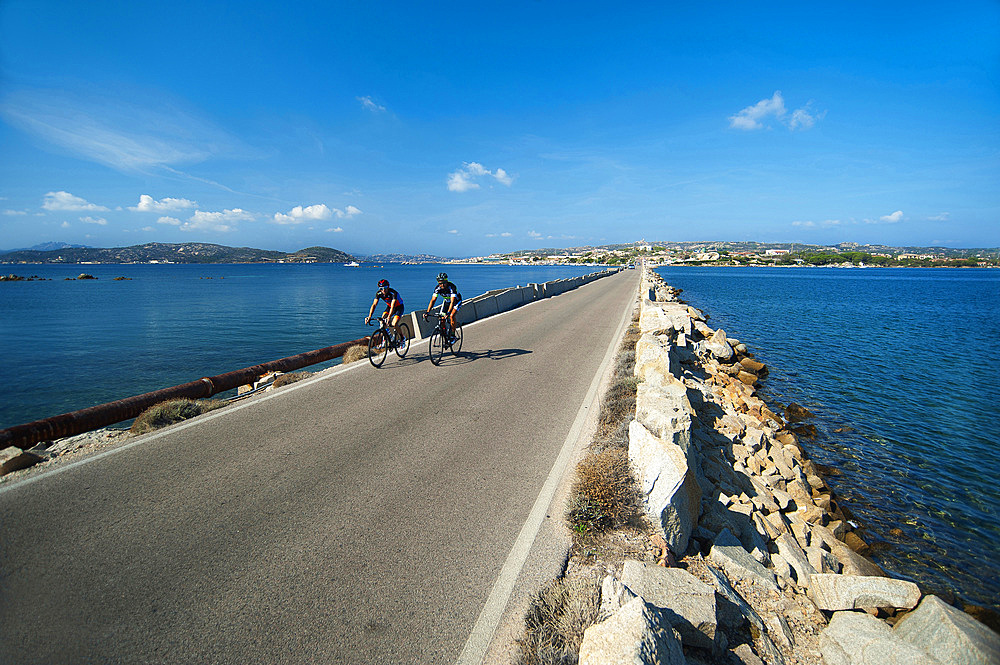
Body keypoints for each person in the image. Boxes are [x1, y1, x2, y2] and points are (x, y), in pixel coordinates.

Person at [424, 272, 462, 341]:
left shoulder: (452, 287)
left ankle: (453, 335)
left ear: (446, 281)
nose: (442, 285)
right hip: (447, 302)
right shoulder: (437, 288)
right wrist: (427, 312)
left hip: (456, 302)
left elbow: (453, 302)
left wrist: (448, 312)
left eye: (443, 282)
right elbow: (433, 300)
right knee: (441, 319)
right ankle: (445, 335)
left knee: (451, 316)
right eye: (440, 283)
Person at [365, 279, 405, 343]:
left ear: (388, 287)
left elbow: (393, 306)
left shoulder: (393, 293)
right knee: (382, 320)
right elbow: (374, 305)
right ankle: (386, 337)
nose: (383, 290)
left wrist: (389, 317)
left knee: (394, 324)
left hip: (398, 307)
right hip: (389, 307)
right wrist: (369, 316)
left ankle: (402, 338)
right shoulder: (379, 293)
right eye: (381, 288)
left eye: (385, 288)